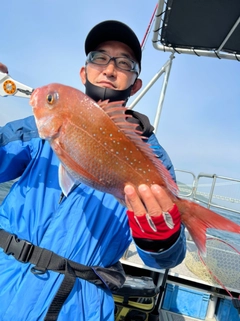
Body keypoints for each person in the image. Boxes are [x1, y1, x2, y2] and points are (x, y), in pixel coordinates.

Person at [0, 20, 186, 321]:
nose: (110, 69)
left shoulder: (152, 157)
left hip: (77, 306)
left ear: (136, 84)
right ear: (83, 72)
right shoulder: (41, 128)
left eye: (124, 62)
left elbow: (166, 258)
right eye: (99, 57)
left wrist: (161, 237)